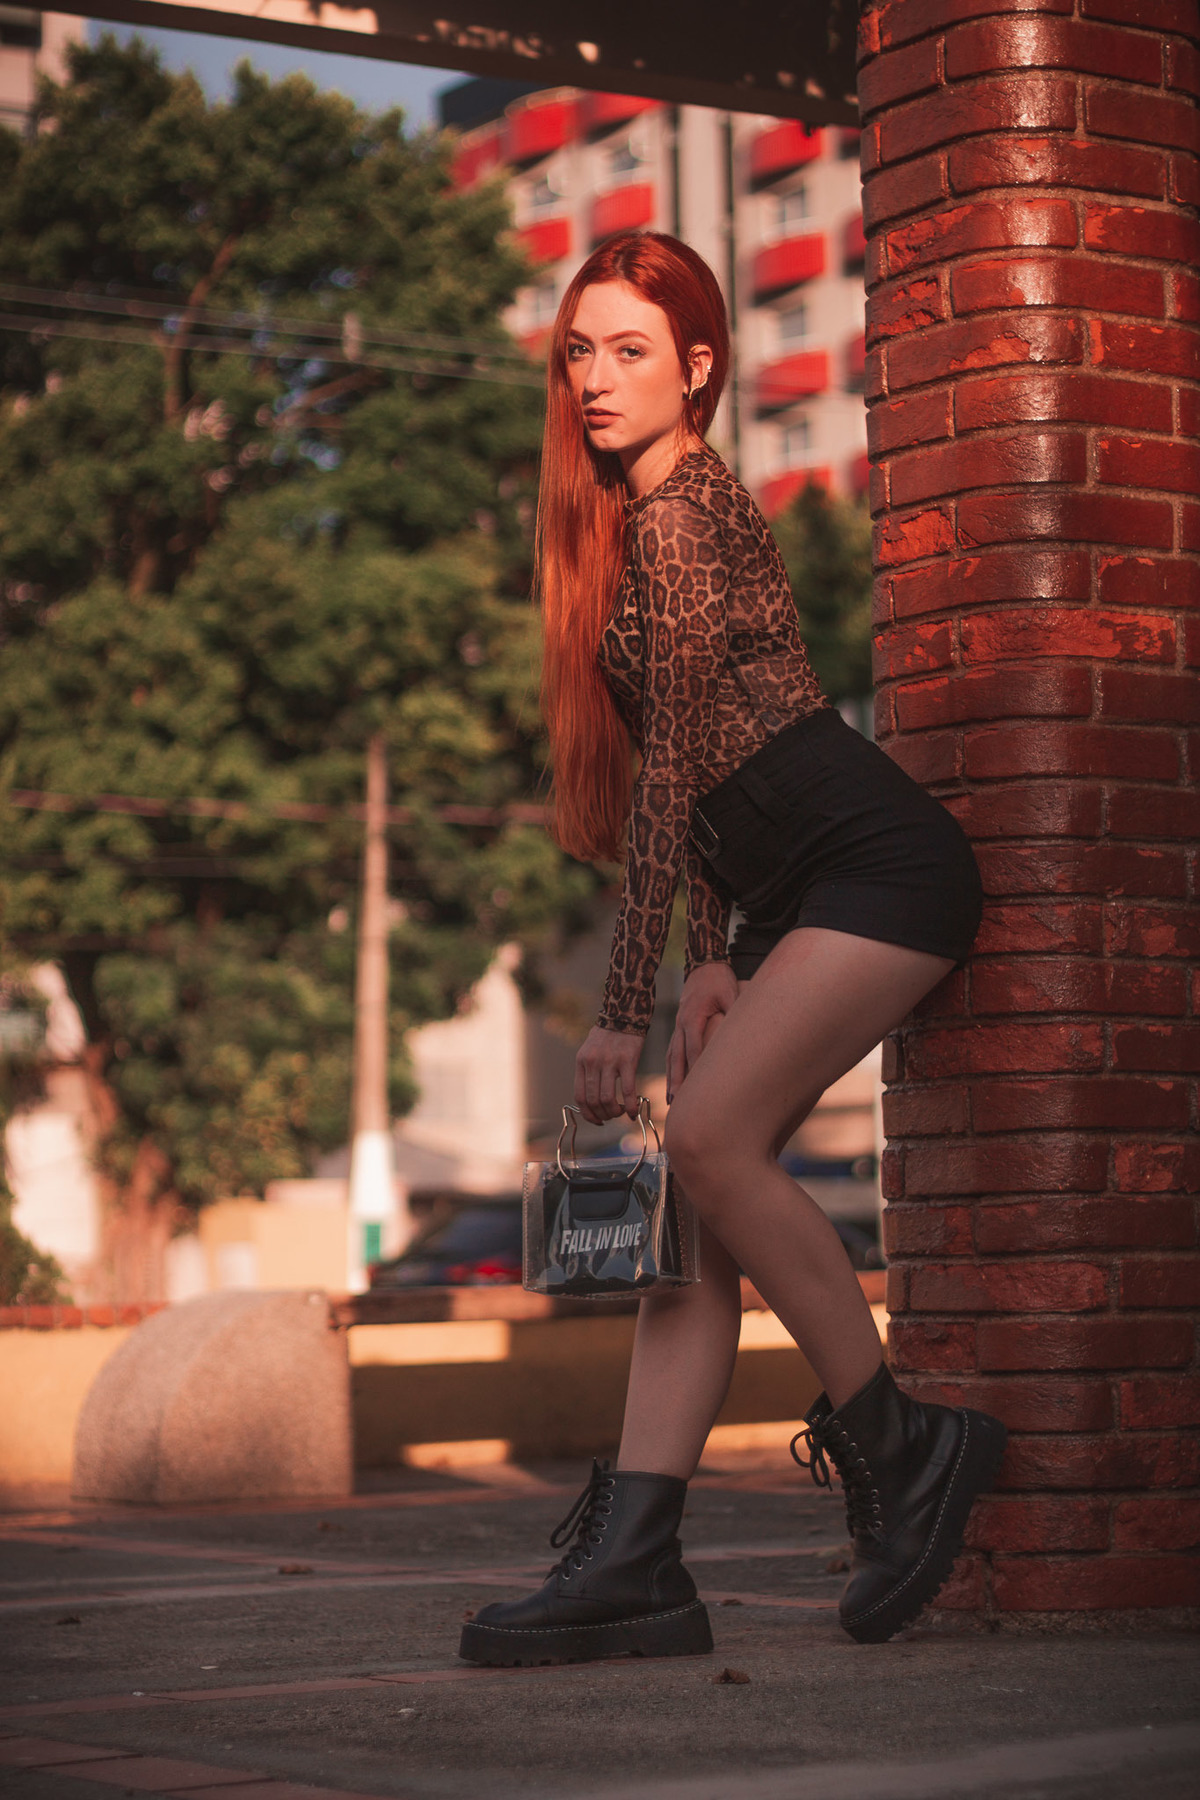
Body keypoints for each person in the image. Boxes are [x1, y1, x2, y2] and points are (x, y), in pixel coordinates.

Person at [459, 231, 1006, 1668]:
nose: (593, 377)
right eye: (578, 349)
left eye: (629, 349)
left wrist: (623, 1007)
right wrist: (717, 951)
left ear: (699, 368)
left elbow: (683, 771)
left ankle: (904, 1442)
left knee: (704, 1140)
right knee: (688, 1220)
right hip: (786, 890)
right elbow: (696, 777)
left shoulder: (689, 512)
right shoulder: (632, 529)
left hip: (878, 866)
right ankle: (638, 1559)